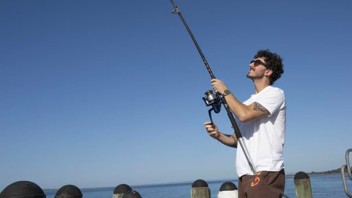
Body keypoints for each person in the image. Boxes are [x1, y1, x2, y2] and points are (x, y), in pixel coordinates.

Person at [204, 49, 286, 198]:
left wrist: (225, 91)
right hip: (244, 174)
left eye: (257, 62)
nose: (251, 64)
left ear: (268, 71)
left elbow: (244, 115)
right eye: (251, 61)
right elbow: (237, 140)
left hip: (266, 171)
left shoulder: (275, 94)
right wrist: (218, 135)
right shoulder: (246, 103)